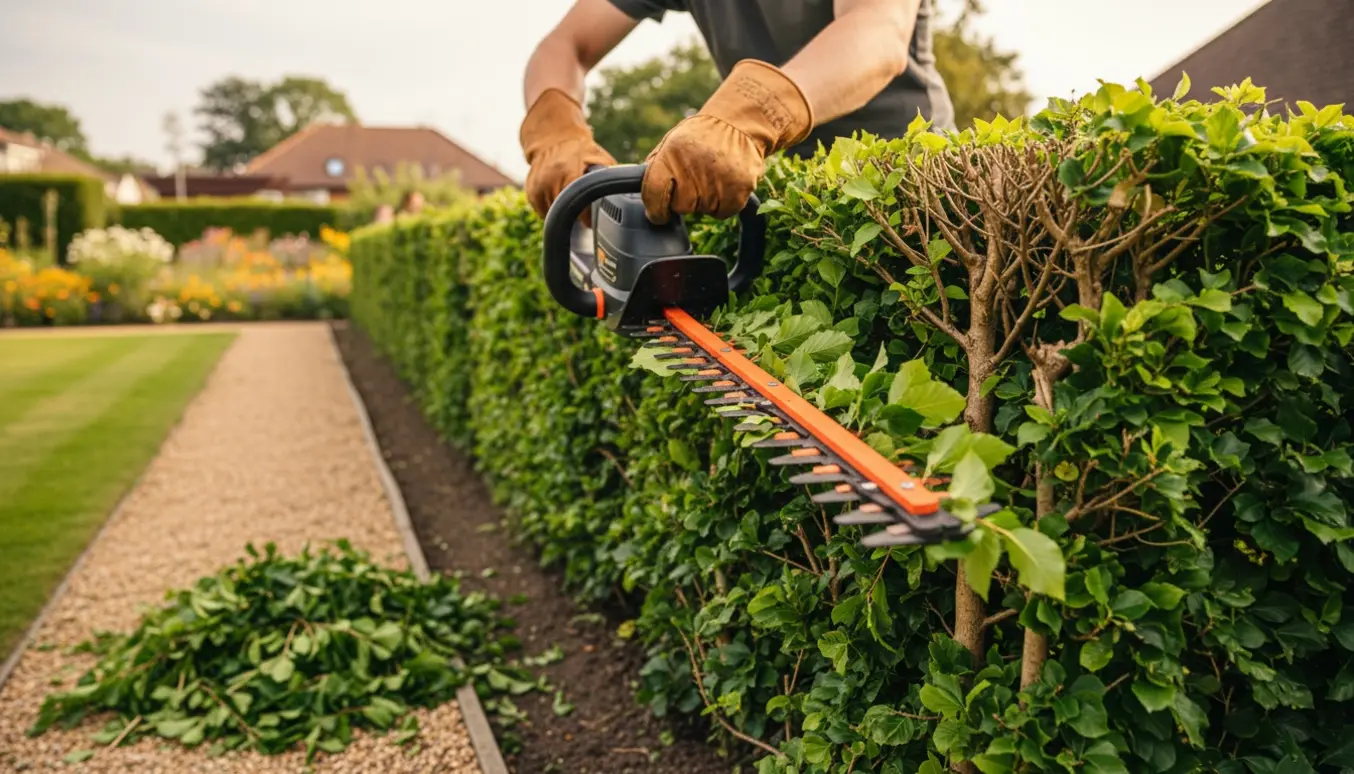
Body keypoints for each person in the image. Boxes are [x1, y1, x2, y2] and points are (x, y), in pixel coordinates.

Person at [519, 0, 953, 225]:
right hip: (785, 194)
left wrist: (753, 113)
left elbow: (879, 34)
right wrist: (555, 133)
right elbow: (564, 46)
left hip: (910, 184)